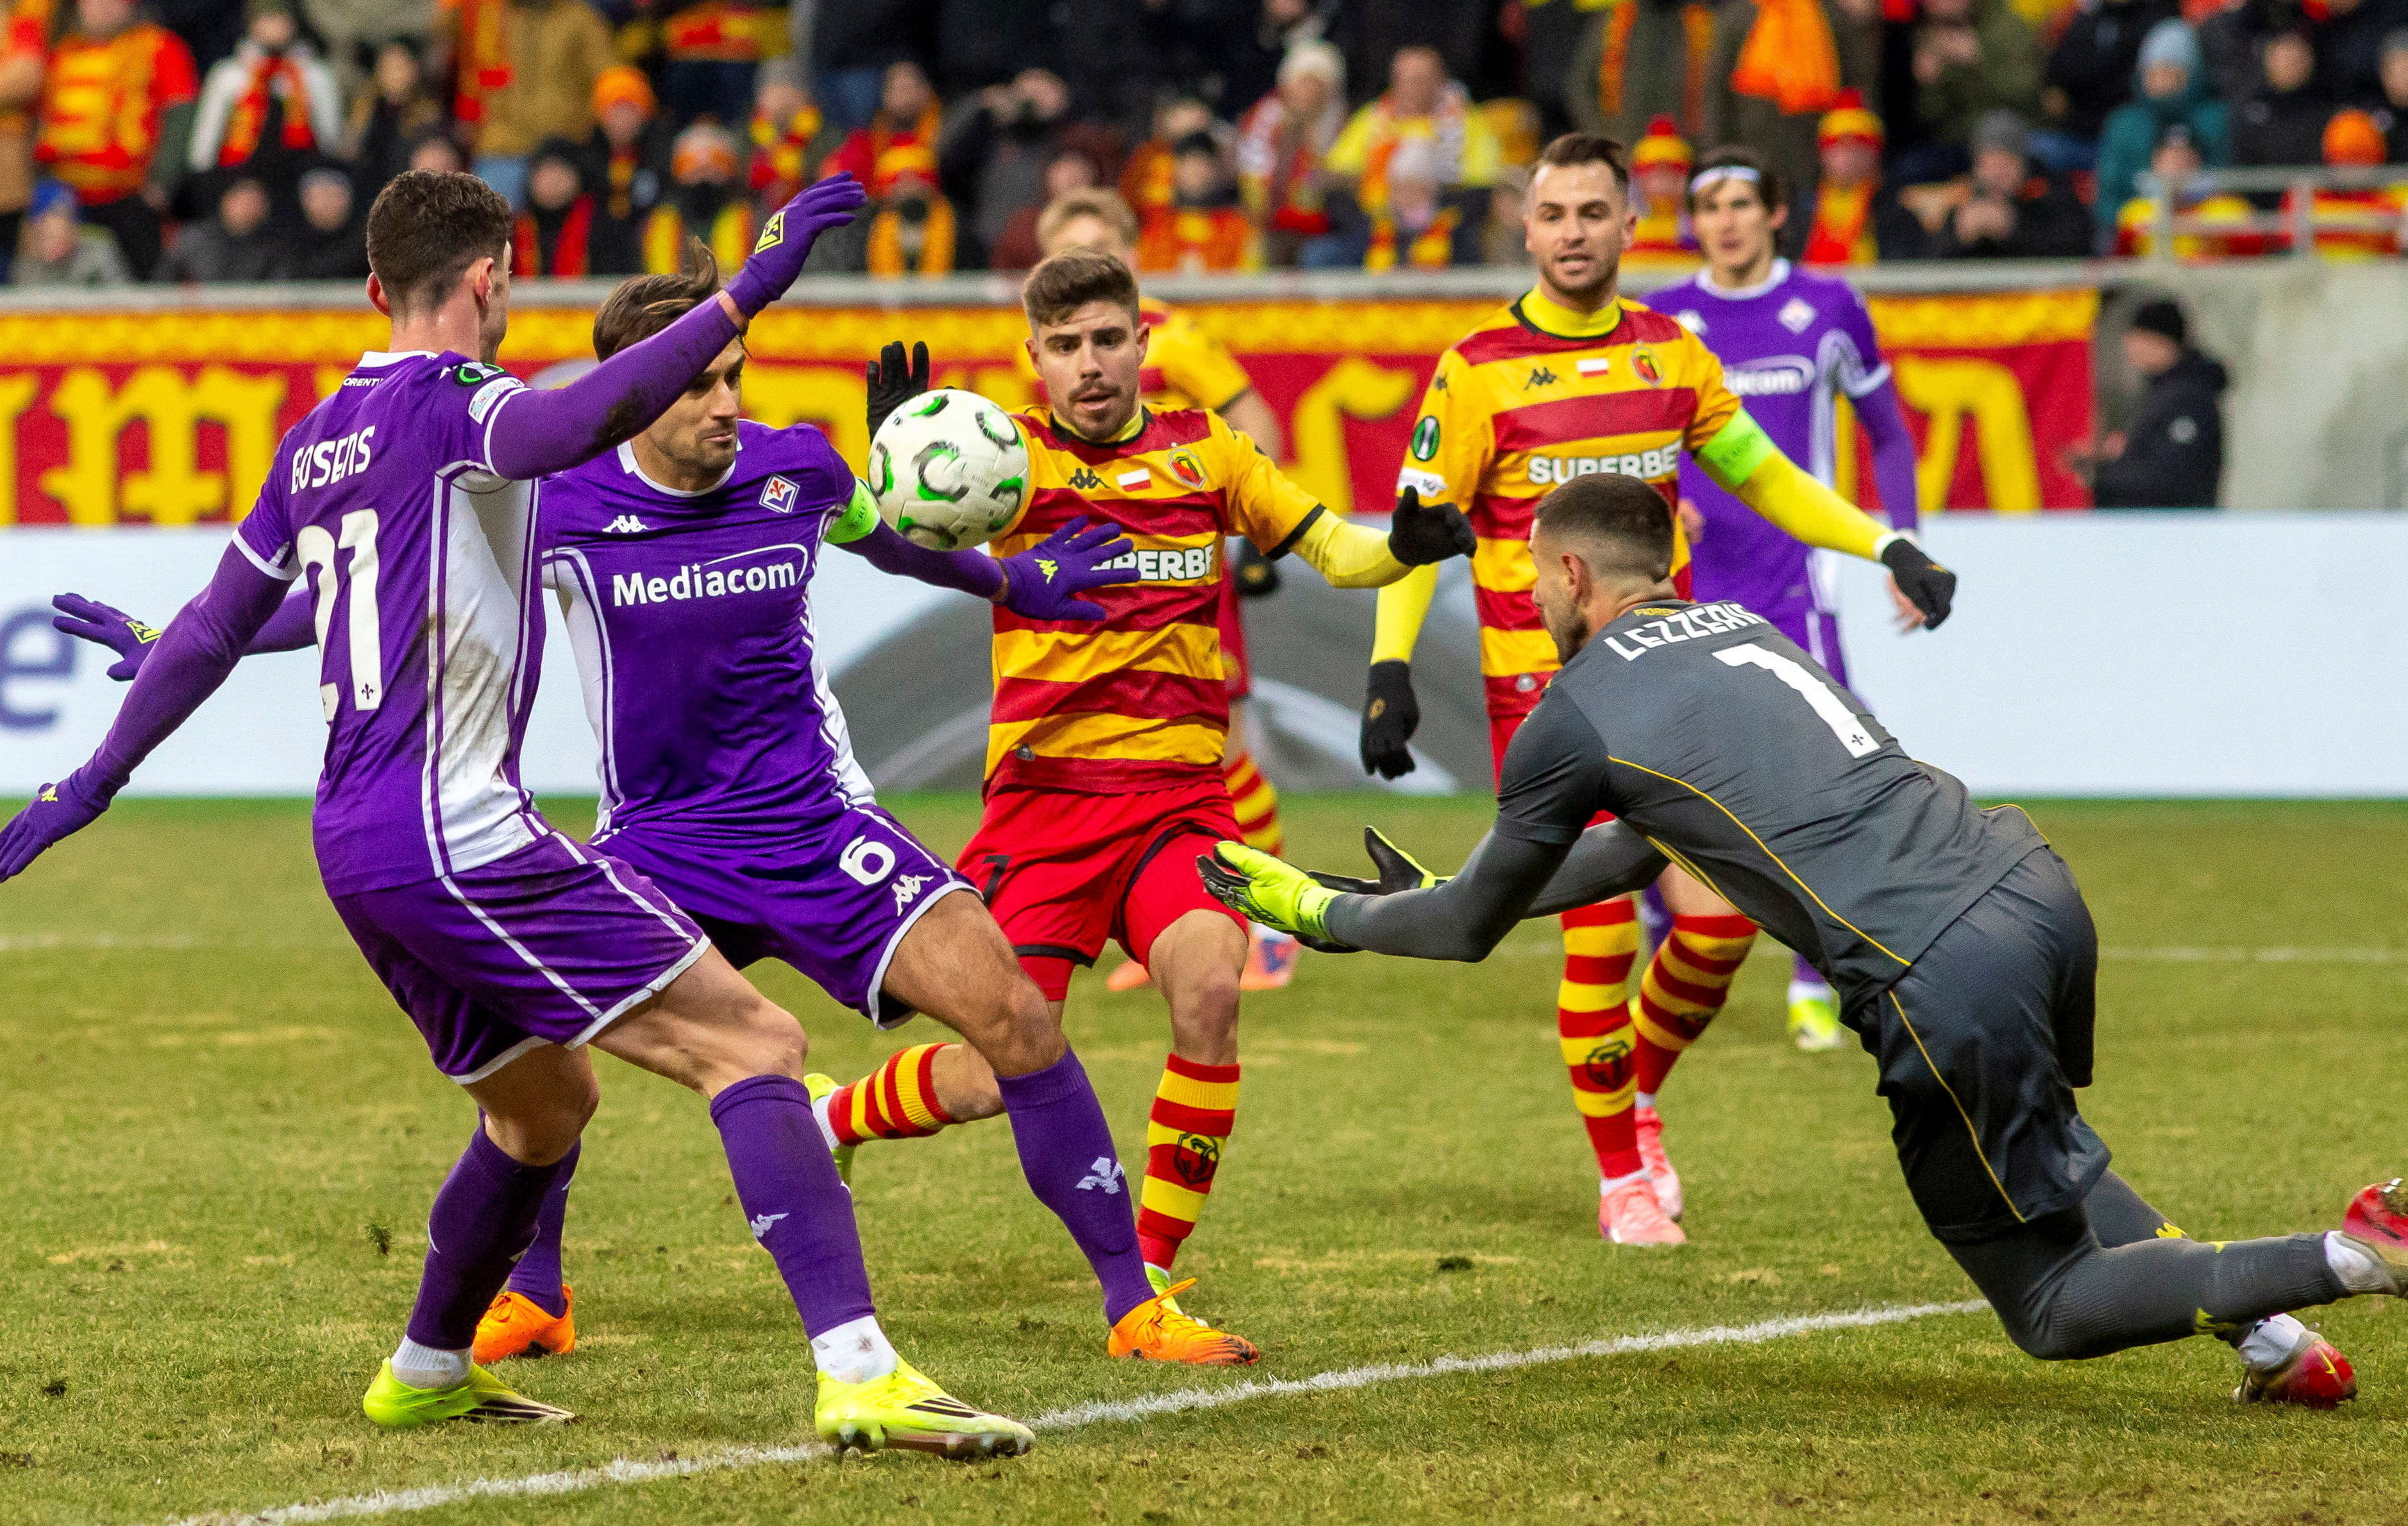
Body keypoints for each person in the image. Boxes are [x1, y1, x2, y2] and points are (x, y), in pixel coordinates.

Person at [0, 167, 1050, 1459]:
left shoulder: (319, 434)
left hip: (355, 843)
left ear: (375, 286)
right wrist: (747, 289)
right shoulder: (464, 407)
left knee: (542, 1105)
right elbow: (568, 427)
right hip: (456, 833)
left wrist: (86, 781)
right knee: (758, 1043)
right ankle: (860, 1370)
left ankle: (427, 1365)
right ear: (490, 281)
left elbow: (218, 624)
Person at [1208, 468, 2386, 1411]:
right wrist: (1450, 887)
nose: (1531, 603)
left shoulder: (1569, 715)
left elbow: (1465, 930)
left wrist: (1325, 914)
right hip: (2027, 885)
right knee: (2046, 1143)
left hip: (1937, 967)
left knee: (2051, 1301)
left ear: (1571, 572)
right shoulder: (1748, 629)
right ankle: (2275, 1342)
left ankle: (2355, 1253)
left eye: (1534, 581)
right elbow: (1641, 850)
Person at [1357, 132, 1957, 1247]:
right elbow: (1413, 531)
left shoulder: (1670, 357)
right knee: (1596, 930)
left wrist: (1887, 545)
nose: (1574, 234)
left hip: (1666, 685)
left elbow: (1766, 476)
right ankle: (1621, 1177)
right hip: (1538, 695)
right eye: (1555, 215)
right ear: (1527, 230)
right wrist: (1391, 667)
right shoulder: (1478, 364)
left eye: (1596, 213)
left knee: (1722, 924)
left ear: (1633, 227)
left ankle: (1635, 1093)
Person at [950, 247, 1472, 1296]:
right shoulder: (1009, 464)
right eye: (1065, 348)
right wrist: (897, 470)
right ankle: (839, 1115)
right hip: (1045, 806)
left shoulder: (1212, 452)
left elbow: (1341, 554)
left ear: (1148, 344)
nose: (1090, 365)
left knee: (1208, 993)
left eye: (1107, 340)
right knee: (984, 1076)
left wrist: (1405, 544)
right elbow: (904, 536)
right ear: (1034, 359)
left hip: (1178, 805)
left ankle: (1148, 1268)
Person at [1642, 141, 1927, 1115]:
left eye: (1737, 202)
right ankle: (1664, 940)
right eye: (1704, 204)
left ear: (1774, 214)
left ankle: (1815, 979)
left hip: (1793, 587)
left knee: (1820, 780)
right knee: (1659, 775)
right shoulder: (1663, 322)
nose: (1720, 219)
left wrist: (1901, 545)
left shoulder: (1828, 310)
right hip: (1681, 586)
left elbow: (1885, 431)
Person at [1034, 187, 1306, 994]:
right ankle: (1169, 923)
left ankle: (1272, 925)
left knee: (1212, 747)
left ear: (1128, 254)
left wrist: (1236, 518)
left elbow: (1259, 419)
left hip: (1171, 566)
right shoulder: (1061, 345)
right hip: (1094, 568)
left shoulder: (1171, 339)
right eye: (1064, 254)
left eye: (1098, 249)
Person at [33, 0, 200, 280]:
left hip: (132, 198)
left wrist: (163, 182)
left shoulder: (159, 46)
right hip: (67, 203)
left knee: (141, 291)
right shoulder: (62, 52)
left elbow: (181, 117)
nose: (104, 6)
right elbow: (43, 126)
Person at [438, 0, 616, 211]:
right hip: (504, 145)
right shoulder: (492, 15)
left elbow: (609, 79)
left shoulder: (580, 19)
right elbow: (446, 31)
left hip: (563, 146)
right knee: (484, 220)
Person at [186, 0, 342, 227]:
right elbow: (205, 140)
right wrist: (212, 186)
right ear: (252, 25)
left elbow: (330, 139)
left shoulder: (314, 74)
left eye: (281, 20)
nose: (274, 28)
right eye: (266, 20)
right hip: (240, 178)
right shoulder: (230, 74)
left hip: (299, 180)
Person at [2097, 20, 2231, 247]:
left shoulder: (2215, 119)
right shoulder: (2125, 124)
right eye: (2153, 72)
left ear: (2191, 74)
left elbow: (2231, 174)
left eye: (2170, 72)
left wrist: (2193, 183)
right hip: (2142, 225)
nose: (2161, 81)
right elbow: (2110, 192)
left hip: (2201, 221)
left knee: (2228, 216)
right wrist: (2152, 183)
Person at [2082, 298, 2226, 507]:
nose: (2129, 345)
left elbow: (2169, 475)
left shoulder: (2188, 397)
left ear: (2161, 342)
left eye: (2138, 338)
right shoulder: (2163, 390)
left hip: (2174, 531)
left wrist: (2099, 474)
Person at [1235, 38, 1345, 268]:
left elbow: (1343, 175)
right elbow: (1252, 175)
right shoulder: (1265, 117)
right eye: (1304, 82)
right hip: (1269, 223)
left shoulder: (1340, 123)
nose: (1310, 91)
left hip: (1326, 226)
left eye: (1318, 84)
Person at [1924, 110, 2092, 258]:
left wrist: (2013, 229)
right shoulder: (1964, 203)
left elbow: (2076, 247)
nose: (1996, 174)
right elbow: (1932, 262)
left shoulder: (2051, 194)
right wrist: (1961, 237)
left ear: (2023, 165)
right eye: (1987, 165)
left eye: (2005, 164)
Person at [1800, 90, 1923, 262]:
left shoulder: (1893, 214)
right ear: (1822, 155)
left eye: (1855, 144)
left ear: (1873, 153)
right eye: (1835, 144)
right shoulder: (1803, 214)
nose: (1844, 154)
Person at [585, 65, 671, 277]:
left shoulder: (660, 156)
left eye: (630, 110)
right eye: (614, 111)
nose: (622, 119)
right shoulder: (588, 158)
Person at [1136, 132, 1258, 273]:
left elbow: (1248, 281)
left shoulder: (1236, 227)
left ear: (1216, 171)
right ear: (1175, 169)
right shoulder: (1157, 229)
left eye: (1203, 164)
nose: (1196, 172)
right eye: (1189, 164)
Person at [343, 37, 443, 199]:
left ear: (414, 69)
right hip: (367, 195)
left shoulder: (428, 115)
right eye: (386, 67)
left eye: (399, 67)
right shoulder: (366, 108)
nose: (393, 75)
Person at [2232, 24, 2333, 169]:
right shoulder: (2249, 110)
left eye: (2297, 60)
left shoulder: (2323, 112)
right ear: (2269, 60)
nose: (2291, 64)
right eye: (2285, 60)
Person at [158, 174, 281, 281]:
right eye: (244, 201)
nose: (248, 209)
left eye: (256, 204)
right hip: (196, 308)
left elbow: (280, 293)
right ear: (228, 201)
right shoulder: (194, 238)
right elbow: (163, 282)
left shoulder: (271, 251)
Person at [9, 176, 130, 285]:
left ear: (73, 227)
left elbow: (122, 297)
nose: (50, 243)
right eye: (41, 235)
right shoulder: (26, 264)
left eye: (55, 235)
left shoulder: (98, 250)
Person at [1622, 115, 1699, 271]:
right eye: (1653, 175)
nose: (1662, 185)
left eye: (1671, 175)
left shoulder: (1696, 229)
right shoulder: (1625, 228)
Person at [511, 137, 593, 277]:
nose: (553, 180)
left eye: (561, 171)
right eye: (546, 171)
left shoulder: (596, 225)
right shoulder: (509, 230)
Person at [290, 164, 370, 280]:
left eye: (335, 194)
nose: (327, 202)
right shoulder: (290, 248)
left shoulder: (369, 244)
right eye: (321, 194)